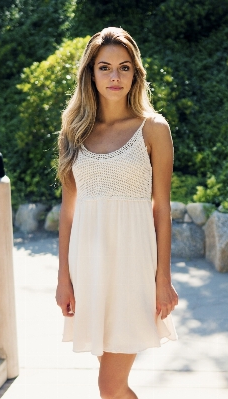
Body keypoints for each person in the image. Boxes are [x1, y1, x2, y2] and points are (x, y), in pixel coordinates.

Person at [55, 27, 179, 399]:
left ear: (135, 74)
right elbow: (68, 210)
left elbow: (162, 208)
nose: (114, 77)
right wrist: (64, 277)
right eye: (105, 67)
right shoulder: (73, 132)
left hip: (132, 267)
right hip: (87, 267)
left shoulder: (153, 129)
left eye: (124, 68)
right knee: (114, 383)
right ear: (90, 73)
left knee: (109, 387)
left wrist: (163, 278)